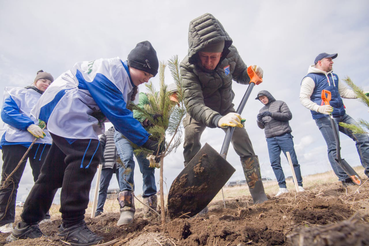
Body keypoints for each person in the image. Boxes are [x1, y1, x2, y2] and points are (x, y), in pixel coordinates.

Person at [8, 41, 162, 245]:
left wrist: (141, 124)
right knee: (86, 154)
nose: (146, 79)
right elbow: (118, 114)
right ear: (135, 64)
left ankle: (26, 224)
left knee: (53, 173)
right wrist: (147, 140)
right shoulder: (112, 73)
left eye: (150, 77)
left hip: (67, 111)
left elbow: (118, 110)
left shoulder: (122, 78)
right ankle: (72, 225)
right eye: (146, 74)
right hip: (67, 106)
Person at [180, 13, 268, 204]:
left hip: (226, 108)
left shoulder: (231, 54)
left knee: (243, 139)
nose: (210, 62)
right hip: (199, 109)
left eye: (214, 57)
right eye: (205, 57)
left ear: (222, 52)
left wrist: (252, 73)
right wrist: (217, 119)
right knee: (190, 137)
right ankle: (197, 202)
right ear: (196, 53)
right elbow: (193, 103)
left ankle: (259, 195)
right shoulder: (188, 67)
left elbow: (242, 76)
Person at [300, 52, 369, 186]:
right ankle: (346, 179)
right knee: (334, 147)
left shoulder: (334, 77)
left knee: (363, 138)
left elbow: (344, 93)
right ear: (319, 62)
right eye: (329, 60)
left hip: (341, 114)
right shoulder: (310, 78)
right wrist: (319, 108)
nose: (332, 62)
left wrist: (361, 94)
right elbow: (303, 98)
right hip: (324, 117)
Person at [115, 83, 178, 226]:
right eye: (170, 103)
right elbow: (134, 116)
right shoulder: (144, 97)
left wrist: (159, 149)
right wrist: (149, 120)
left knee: (148, 169)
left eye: (174, 105)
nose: (171, 107)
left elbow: (161, 134)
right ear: (163, 97)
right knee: (126, 161)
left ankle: (150, 207)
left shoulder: (165, 115)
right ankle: (126, 207)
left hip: (141, 139)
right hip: (124, 133)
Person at [0, 70, 53, 233]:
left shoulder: (51, 99)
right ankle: (4, 219)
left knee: (43, 179)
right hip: (16, 140)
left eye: (50, 83)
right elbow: (7, 112)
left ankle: (41, 215)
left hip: (42, 143)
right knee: (10, 178)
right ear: (36, 81)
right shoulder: (18, 93)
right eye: (44, 81)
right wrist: (28, 124)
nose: (47, 84)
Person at [256, 90, 304, 196]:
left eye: (263, 98)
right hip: (270, 138)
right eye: (260, 99)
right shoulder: (261, 110)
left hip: (283, 135)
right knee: (274, 162)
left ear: (268, 96)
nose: (262, 100)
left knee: (292, 160)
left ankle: (298, 185)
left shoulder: (280, 103)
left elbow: (288, 116)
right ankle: (282, 187)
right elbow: (261, 126)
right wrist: (259, 120)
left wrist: (271, 114)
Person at [94, 126, 121, 217]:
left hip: (119, 163)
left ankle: (123, 208)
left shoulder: (123, 131)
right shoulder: (106, 133)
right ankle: (99, 209)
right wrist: (99, 160)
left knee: (123, 187)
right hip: (106, 163)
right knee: (103, 187)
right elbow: (100, 146)